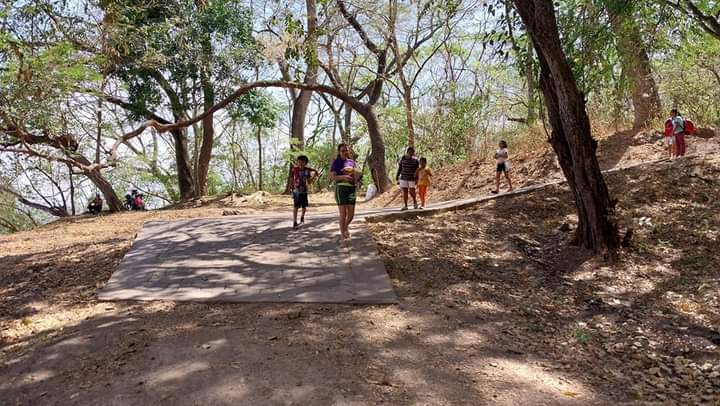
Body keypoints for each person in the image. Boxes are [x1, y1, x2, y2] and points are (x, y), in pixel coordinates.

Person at [330, 143, 360, 240]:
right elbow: (333, 177)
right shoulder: (336, 162)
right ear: (339, 152)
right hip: (341, 188)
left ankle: (345, 226)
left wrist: (356, 177)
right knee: (343, 213)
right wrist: (344, 177)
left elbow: (355, 176)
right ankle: (343, 233)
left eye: (346, 150)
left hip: (351, 189)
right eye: (343, 150)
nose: (345, 152)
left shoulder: (352, 162)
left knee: (351, 214)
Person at [291, 155, 318, 230]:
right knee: (296, 206)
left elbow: (309, 182)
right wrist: (291, 187)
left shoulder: (307, 170)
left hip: (304, 191)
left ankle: (302, 216)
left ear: (305, 163)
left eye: (302, 162)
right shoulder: (295, 169)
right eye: (299, 162)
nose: (300, 163)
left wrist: (314, 175)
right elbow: (291, 178)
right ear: (297, 162)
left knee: (304, 206)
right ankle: (295, 221)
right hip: (296, 190)